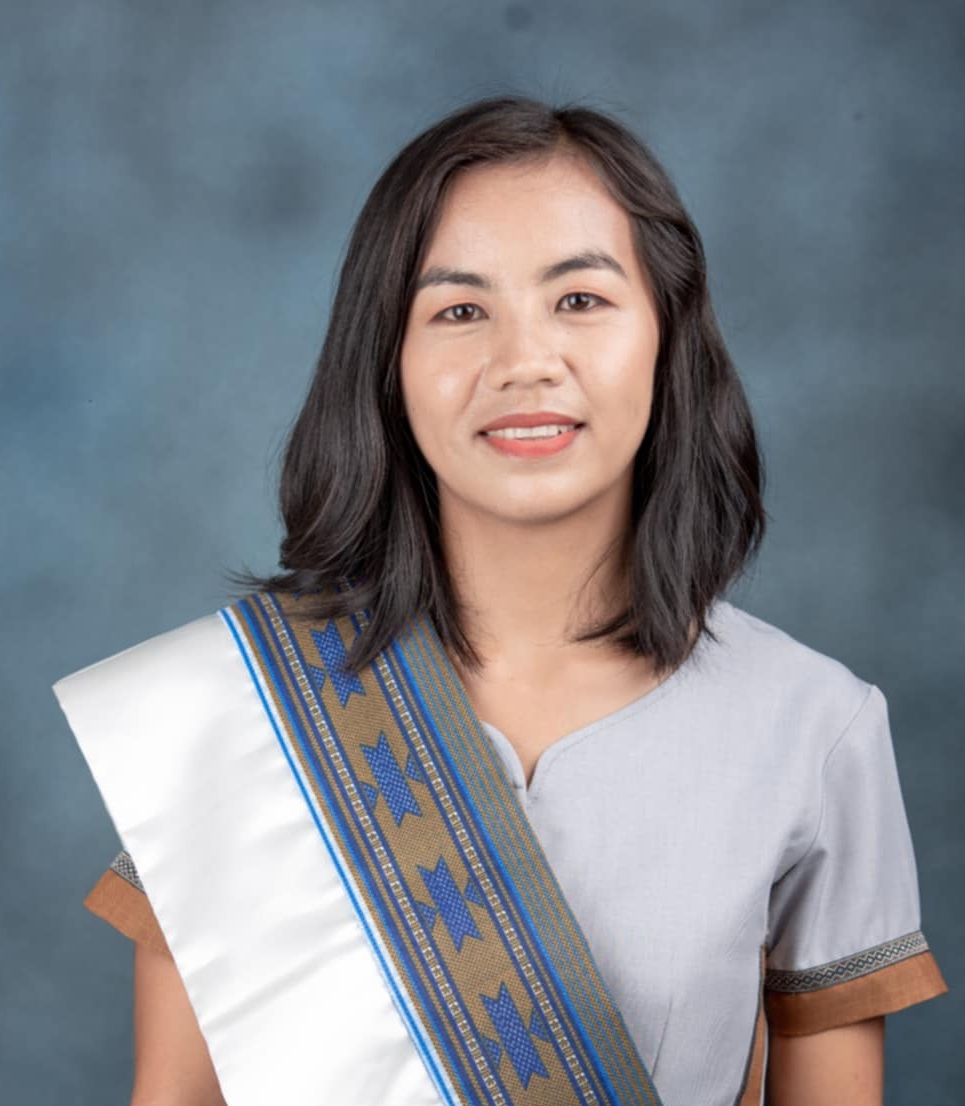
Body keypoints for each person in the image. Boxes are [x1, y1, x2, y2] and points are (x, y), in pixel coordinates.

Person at [56, 97, 947, 1106]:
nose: (524, 361)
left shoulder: (813, 726)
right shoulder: (247, 712)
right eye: (458, 311)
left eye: (579, 299)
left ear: (667, 338)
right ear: (386, 363)